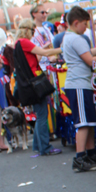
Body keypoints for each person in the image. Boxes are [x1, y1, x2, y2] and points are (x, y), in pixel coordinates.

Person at [63, 5, 96, 173]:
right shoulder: (76, 38)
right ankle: (80, 157)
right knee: (83, 123)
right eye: (85, 24)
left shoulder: (69, 38)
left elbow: (86, 54)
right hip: (79, 84)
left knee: (89, 122)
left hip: (81, 84)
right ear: (76, 23)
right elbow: (90, 60)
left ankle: (91, 154)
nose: (86, 28)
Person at [14, 20, 63, 156]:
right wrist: (63, 49)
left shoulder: (17, 43)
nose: (34, 34)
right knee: (42, 115)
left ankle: (38, 145)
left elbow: (37, 56)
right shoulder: (24, 42)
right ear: (28, 30)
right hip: (35, 83)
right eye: (33, 31)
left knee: (39, 115)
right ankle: (44, 147)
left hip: (28, 84)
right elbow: (44, 54)